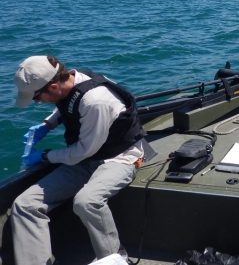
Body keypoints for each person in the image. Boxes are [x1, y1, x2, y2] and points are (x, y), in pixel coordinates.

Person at [11, 55, 146, 265]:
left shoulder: (96, 101)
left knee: (87, 202)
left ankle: (114, 259)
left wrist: (45, 155)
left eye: (37, 98)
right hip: (86, 158)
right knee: (25, 204)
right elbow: (68, 105)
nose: (38, 102)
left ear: (54, 86)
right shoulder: (71, 81)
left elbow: (82, 151)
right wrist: (48, 124)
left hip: (118, 158)